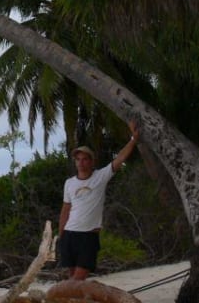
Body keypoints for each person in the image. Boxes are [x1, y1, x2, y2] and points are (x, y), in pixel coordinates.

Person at [56, 120, 140, 280]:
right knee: (71, 280)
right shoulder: (69, 183)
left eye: (85, 159)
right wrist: (61, 237)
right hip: (69, 234)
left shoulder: (100, 177)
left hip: (88, 236)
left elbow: (120, 158)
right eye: (78, 159)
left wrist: (133, 139)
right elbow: (65, 210)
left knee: (77, 280)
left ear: (92, 161)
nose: (81, 163)